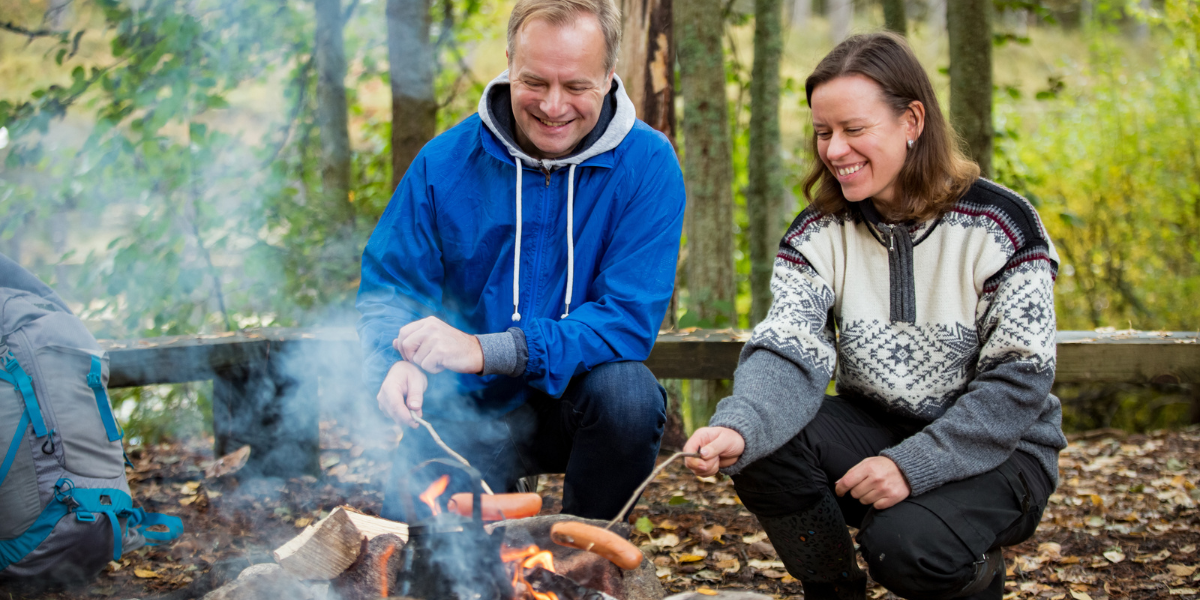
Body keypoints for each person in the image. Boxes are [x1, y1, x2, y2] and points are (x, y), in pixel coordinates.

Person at [683, 32, 1066, 600]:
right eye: (823, 132)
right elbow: (788, 346)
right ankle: (834, 589)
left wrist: (913, 465)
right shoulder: (817, 232)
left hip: (1003, 451)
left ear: (912, 120)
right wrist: (741, 424)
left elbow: (1017, 384)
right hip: (875, 428)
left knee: (903, 543)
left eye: (853, 130)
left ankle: (976, 576)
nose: (834, 150)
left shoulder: (1003, 225)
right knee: (765, 444)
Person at [356, 0, 685, 521]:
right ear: (509, 63)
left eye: (577, 86)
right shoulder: (445, 161)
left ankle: (590, 557)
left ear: (608, 76)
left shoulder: (647, 164)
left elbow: (625, 319)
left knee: (629, 396)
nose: (554, 107)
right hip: (461, 409)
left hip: (574, 404)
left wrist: (487, 350)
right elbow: (389, 291)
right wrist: (395, 359)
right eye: (535, 82)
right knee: (419, 556)